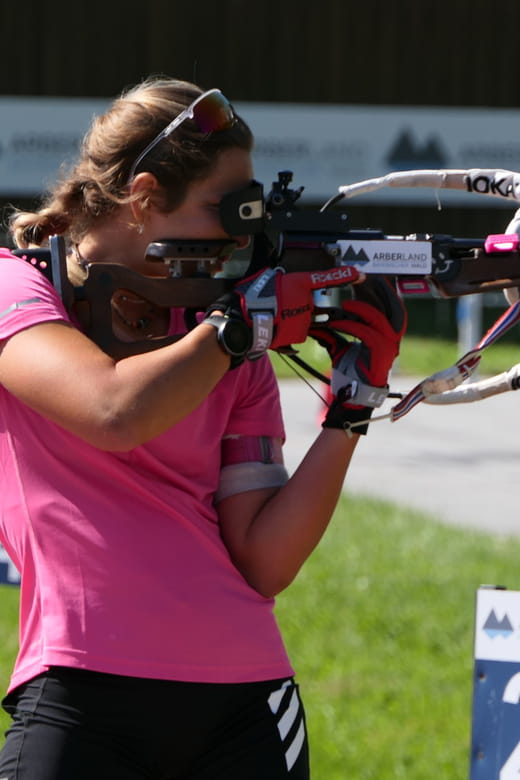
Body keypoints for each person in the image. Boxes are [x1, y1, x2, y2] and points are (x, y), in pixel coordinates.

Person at [0, 76, 406, 780]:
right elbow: (112, 410)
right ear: (147, 196)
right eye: (225, 211)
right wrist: (237, 329)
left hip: (245, 701)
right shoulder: (20, 288)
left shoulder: (221, 335)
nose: (241, 236)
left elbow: (265, 561)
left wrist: (353, 406)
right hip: (77, 682)